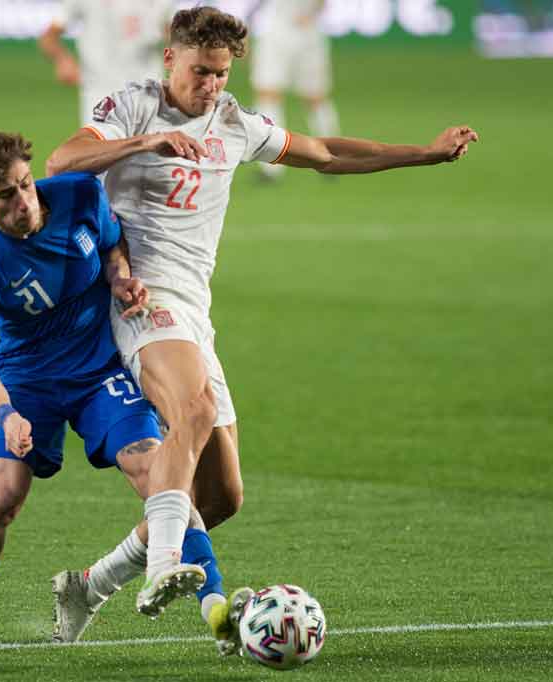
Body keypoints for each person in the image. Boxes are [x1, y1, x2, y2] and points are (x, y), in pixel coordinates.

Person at [44, 5, 478, 633]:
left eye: (221, 74)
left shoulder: (234, 124)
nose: (211, 85)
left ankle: (91, 584)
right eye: (200, 71)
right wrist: (146, 141)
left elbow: (325, 152)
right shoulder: (134, 105)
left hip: (194, 309)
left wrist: (426, 155)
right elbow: (61, 161)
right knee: (189, 412)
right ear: (171, 59)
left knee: (220, 498)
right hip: (138, 296)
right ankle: (166, 563)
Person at [0, 131, 239, 658]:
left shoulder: (79, 195)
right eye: (6, 196)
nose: (25, 204)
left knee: (158, 473)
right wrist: (8, 413)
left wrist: (120, 277)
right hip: (26, 383)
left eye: (25, 185)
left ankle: (218, 609)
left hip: (97, 372)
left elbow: (112, 244)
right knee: (2, 500)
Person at [38, 0, 175, 124]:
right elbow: (50, 35)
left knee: (148, 149)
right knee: (102, 148)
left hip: (146, 92)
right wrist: (63, 60)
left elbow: (174, 35)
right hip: (100, 93)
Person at [248, 0, 339, 181]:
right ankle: (330, 160)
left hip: (285, 31)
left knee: (272, 96)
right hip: (296, 31)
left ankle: (271, 167)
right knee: (310, 98)